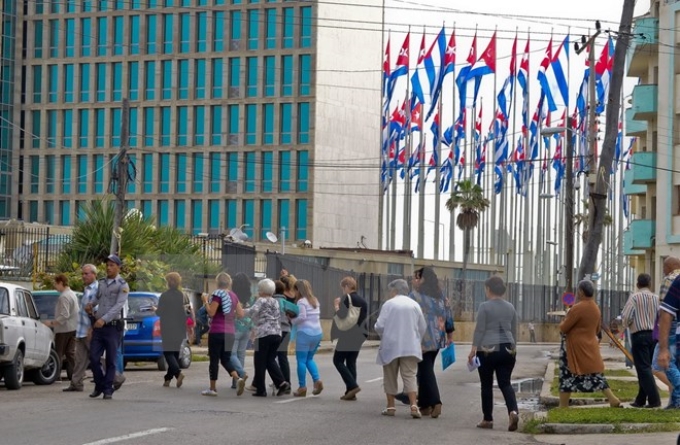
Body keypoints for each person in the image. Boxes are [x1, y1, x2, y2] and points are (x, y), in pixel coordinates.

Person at [558, 280, 621, 409]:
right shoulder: (595, 308)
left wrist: (564, 319)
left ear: (581, 292)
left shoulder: (577, 308)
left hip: (574, 347)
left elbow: (564, 328)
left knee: (566, 374)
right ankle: (612, 398)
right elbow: (597, 330)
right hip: (590, 345)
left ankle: (563, 405)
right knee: (595, 374)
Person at [468, 276, 519, 431]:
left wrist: (473, 350)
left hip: (488, 349)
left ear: (488, 289)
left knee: (486, 384)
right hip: (508, 349)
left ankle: (488, 419)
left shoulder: (485, 306)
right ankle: (513, 411)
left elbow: (480, 329)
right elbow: (514, 330)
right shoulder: (510, 307)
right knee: (505, 383)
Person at [375, 279, 427, 419]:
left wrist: (384, 336)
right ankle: (414, 406)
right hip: (410, 346)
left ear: (394, 291)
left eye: (390, 291)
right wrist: (417, 339)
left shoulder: (389, 304)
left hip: (391, 345)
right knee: (410, 375)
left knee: (390, 376)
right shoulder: (414, 305)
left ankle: (391, 406)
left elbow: (379, 326)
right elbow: (422, 327)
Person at [408, 267, 453, 418]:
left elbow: (408, 316)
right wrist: (449, 335)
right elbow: (448, 314)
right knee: (425, 369)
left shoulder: (415, 296)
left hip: (422, 337)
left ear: (423, 279)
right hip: (438, 335)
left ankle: (436, 401)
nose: (413, 280)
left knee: (425, 370)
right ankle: (425, 405)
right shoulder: (440, 295)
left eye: (416, 277)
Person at [85, 255, 129, 400]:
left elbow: (118, 306)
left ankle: (108, 389)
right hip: (98, 326)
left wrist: (104, 319)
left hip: (112, 327)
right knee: (93, 357)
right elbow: (98, 298)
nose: (108, 268)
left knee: (111, 360)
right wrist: (91, 304)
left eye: (112, 265)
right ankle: (99, 384)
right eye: (107, 265)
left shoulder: (122, 284)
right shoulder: (102, 282)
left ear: (118, 267)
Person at [201, 272, 246, 397]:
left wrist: (205, 301)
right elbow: (241, 314)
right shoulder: (233, 296)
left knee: (214, 360)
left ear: (217, 283)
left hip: (217, 331)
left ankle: (212, 388)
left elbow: (211, 313)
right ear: (229, 283)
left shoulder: (218, 295)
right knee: (225, 358)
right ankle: (238, 378)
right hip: (230, 332)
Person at [243, 278, 290, 397]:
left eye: (259, 289)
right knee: (270, 360)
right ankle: (282, 383)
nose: (258, 291)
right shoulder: (275, 301)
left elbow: (253, 311)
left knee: (259, 362)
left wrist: (240, 312)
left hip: (263, 334)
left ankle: (261, 389)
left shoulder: (261, 300)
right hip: (277, 334)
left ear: (262, 291)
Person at [621, 273, 661, 408]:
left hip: (639, 335)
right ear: (650, 284)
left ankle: (655, 399)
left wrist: (628, 325)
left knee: (643, 368)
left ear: (637, 285)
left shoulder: (634, 298)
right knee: (646, 368)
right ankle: (641, 399)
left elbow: (626, 317)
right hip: (653, 336)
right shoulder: (656, 298)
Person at [331, 276, 368, 401]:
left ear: (346, 286)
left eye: (343, 287)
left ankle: (352, 386)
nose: (342, 290)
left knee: (338, 360)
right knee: (351, 361)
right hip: (360, 334)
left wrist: (336, 306)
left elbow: (342, 315)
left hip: (348, 334)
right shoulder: (363, 301)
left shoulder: (346, 298)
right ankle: (350, 392)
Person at [63, 264, 99, 392]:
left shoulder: (96, 290)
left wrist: (92, 328)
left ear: (94, 275)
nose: (84, 276)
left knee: (98, 357)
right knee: (79, 360)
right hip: (81, 330)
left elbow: (97, 310)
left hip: (89, 330)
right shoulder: (87, 289)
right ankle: (76, 383)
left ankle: (116, 378)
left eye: (86, 274)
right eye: (83, 274)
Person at [290, 279, 323, 397]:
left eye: (295, 290)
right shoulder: (315, 300)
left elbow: (302, 317)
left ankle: (302, 387)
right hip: (317, 333)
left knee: (301, 360)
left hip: (305, 333)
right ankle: (317, 380)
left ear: (298, 290)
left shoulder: (301, 302)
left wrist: (292, 320)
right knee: (309, 359)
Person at [654, 257, 680, 409]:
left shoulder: (670, 280)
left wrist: (663, 348)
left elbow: (666, 311)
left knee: (660, 365)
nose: (663, 270)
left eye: (664, 266)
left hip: (672, 329)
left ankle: (677, 396)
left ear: (670, 266)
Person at [154, 272, 188, 388]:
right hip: (179, 328)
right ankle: (168, 378)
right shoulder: (181, 295)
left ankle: (178, 373)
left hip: (168, 328)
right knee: (174, 354)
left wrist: (155, 309)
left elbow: (160, 312)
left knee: (168, 353)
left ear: (168, 282)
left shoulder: (164, 296)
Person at [46, 274, 79, 383]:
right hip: (73, 327)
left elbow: (65, 314)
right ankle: (77, 374)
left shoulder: (64, 296)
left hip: (63, 329)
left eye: (56, 284)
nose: (55, 287)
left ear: (61, 283)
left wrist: (53, 323)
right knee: (70, 352)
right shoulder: (72, 294)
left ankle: (56, 375)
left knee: (58, 353)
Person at [230, 272, 252, 389]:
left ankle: (241, 376)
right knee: (241, 355)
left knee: (231, 354)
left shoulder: (233, 296)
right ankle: (236, 383)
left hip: (235, 327)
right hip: (247, 327)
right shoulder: (250, 297)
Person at [274, 280, 293, 391]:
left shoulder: (272, 301)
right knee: (283, 357)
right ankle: (287, 382)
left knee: (271, 357)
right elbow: (296, 312)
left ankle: (280, 381)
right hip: (287, 330)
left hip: (276, 331)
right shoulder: (286, 302)